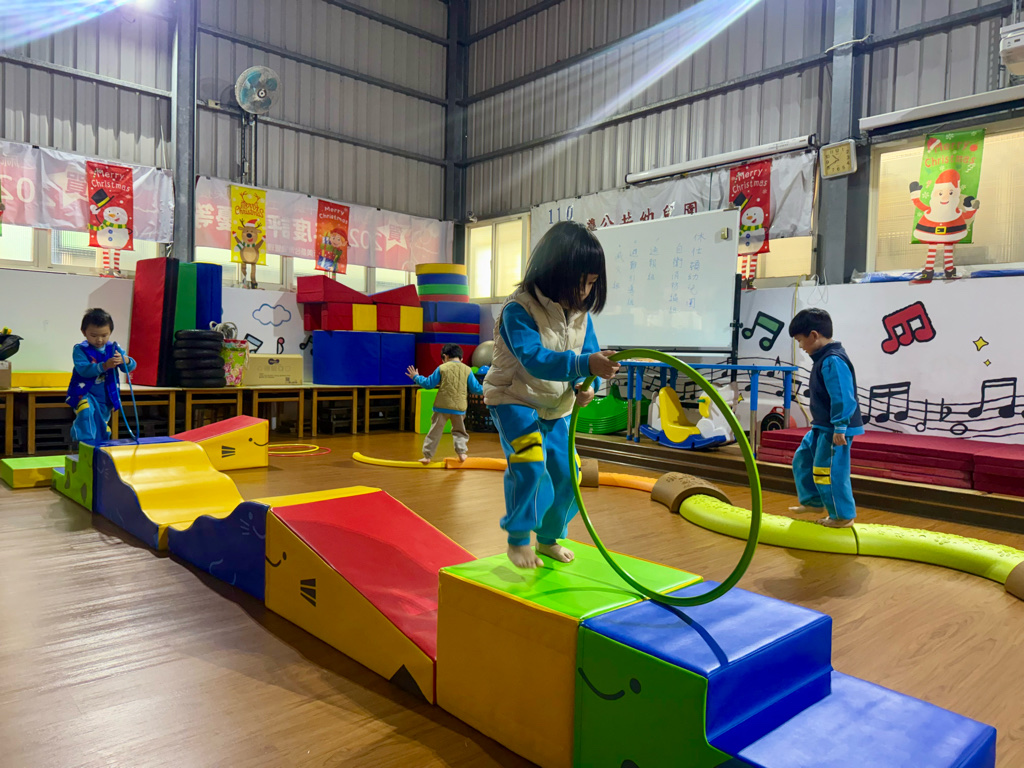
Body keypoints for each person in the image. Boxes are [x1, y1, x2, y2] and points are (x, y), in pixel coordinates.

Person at [483, 221, 620, 568]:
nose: (586, 291)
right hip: (514, 400)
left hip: (556, 407)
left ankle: (548, 539)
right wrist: (584, 365)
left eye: (592, 283)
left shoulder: (582, 316)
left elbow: (588, 359)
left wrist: (584, 387)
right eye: (581, 282)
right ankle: (518, 540)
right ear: (556, 271)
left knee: (569, 475)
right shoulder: (519, 310)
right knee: (530, 464)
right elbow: (534, 359)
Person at [787, 308, 864, 528]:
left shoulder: (833, 361)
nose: (800, 346)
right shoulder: (823, 359)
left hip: (835, 428)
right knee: (803, 458)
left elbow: (843, 396)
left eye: (800, 340)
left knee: (828, 470)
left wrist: (840, 426)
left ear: (813, 335)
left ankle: (842, 515)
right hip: (823, 425)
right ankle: (813, 501)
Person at [67, 308, 136, 445]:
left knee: (101, 424)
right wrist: (104, 366)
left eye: (104, 335)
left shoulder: (114, 348)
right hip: (84, 393)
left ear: (110, 332)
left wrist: (126, 360)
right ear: (84, 332)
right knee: (86, 413)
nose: (99, 340)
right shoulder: (80, 349)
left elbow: (129, 367)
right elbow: (83, 370)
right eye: (94, 335)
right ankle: (83, 443)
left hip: (105, 396)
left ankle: (99, 447)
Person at [406, 343, 482, 464]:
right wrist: (489, 389)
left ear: (445, 356)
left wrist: (416, 377)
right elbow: (476, 388)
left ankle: (427, 456)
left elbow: (429, 384)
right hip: (459, 407)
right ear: (461, 358)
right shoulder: (467, 369)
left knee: (435, 432)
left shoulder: (442, 368)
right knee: (459, 432)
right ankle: (461, 453)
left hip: (442, 406)